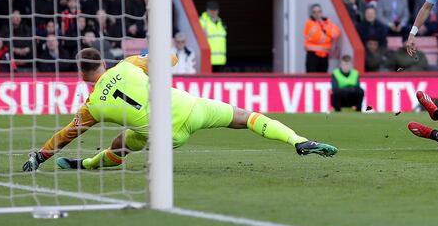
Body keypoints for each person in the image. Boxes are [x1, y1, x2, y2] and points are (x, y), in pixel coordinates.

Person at [21, 49, 337, 171]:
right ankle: (298, 141)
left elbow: (67, 134)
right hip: (192, 108)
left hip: (166, 136)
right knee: (247, 117)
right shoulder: (129, 63)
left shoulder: (91, 107)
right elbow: (170, 59)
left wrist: (40, 155)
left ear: (81, 75)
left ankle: (86, 165)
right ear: (103, 62)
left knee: (123, 142)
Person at [303, 3, 341, 73]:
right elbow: (317, 37)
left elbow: (336, 34)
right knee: (311, 78)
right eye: (314, 12)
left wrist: (325, 28)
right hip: (313, 55)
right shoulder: (309, 23)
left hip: (324, 55)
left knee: (323, 77)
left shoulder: (327, 22)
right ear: (311, 14)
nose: (317, 14)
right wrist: (328, 34)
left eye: (319, 11)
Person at [199, 1, 226, 72]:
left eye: (215, 10)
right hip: (208, 60)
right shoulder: (203, 21)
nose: (213, 12)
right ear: (207, 10)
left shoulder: (221, 22)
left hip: (221, 60)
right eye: (211, 10)